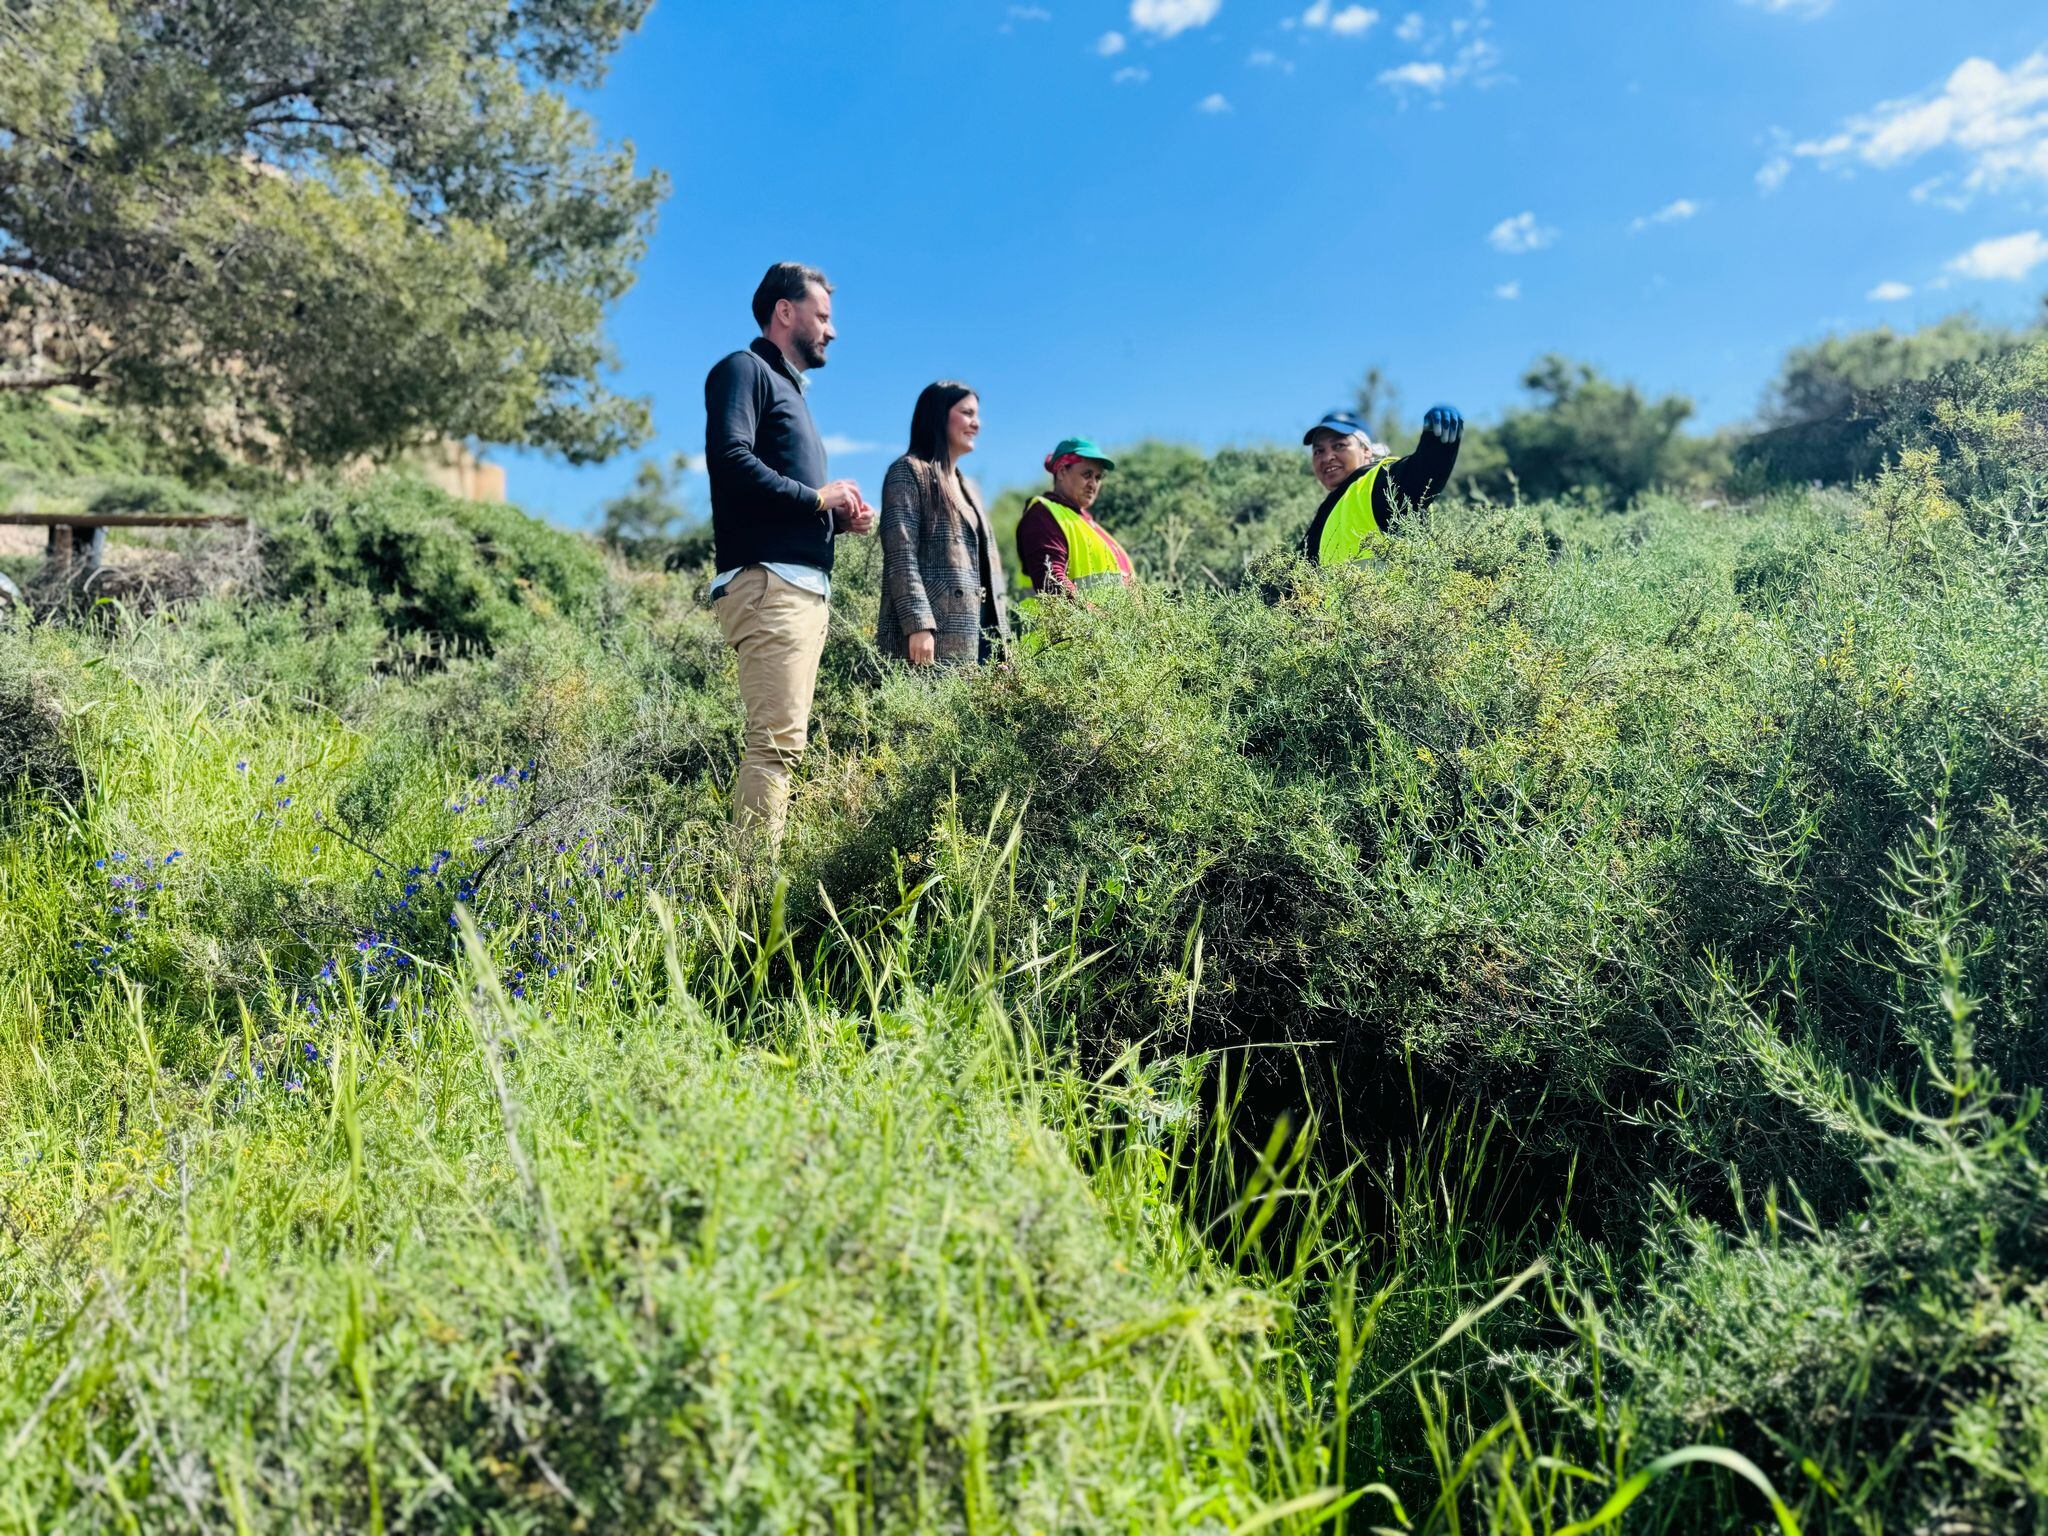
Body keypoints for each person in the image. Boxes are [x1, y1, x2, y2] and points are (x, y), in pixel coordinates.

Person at [703, 261, 876, 846]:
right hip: (770, 586)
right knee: (775, 747)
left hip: (795, 589)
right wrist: (814, 496)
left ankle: (754, 894)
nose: (831, 330)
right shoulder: (743, 370)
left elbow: (781, 493)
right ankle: (751, 907)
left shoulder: (788, 388)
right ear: (785, 311)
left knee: (783, 744)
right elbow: (730, 460)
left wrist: (833, 516)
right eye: (822, 315)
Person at [877, 382, 1010, 666]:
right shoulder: (908, 471)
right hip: (931, 636)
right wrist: (918, 623)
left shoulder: (970, 487)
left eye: (977, 415)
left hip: (982, 636)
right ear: (939, 416)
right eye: (967, 413)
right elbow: (901, 555)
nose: (977, 424)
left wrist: (1003, 641)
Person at [1299, 404, 1464, 566]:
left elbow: (1418, 476)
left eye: (1339, 445)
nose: (1327, 457)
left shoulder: (1377, 481)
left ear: (1366, 451)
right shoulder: (1328, 512)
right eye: (1318, 451)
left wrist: (1437, 442)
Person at [1014, 437, 1135, 598]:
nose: (1093, 484)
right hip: (1072, 624)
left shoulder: (1090, 525)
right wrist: (1100, 619)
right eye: (1087, 474)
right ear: (1062, 471)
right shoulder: (1042, 515)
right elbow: (1051, 580)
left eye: (1098, 477)